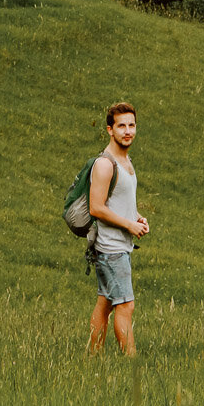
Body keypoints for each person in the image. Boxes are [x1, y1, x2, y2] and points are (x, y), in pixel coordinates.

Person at [88, 101, 149, 354]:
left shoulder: (125, 160)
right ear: (109, 130)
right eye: (121, 126)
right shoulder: (105, 164)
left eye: (131, 125)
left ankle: (92, 358)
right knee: (126, 305)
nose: (127, 131)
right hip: (111, 248)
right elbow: (96, 208)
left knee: (105, 303)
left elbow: (119, 201)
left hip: (117, 245)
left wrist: (136, 217)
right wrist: (128, 226)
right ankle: (131, 361)